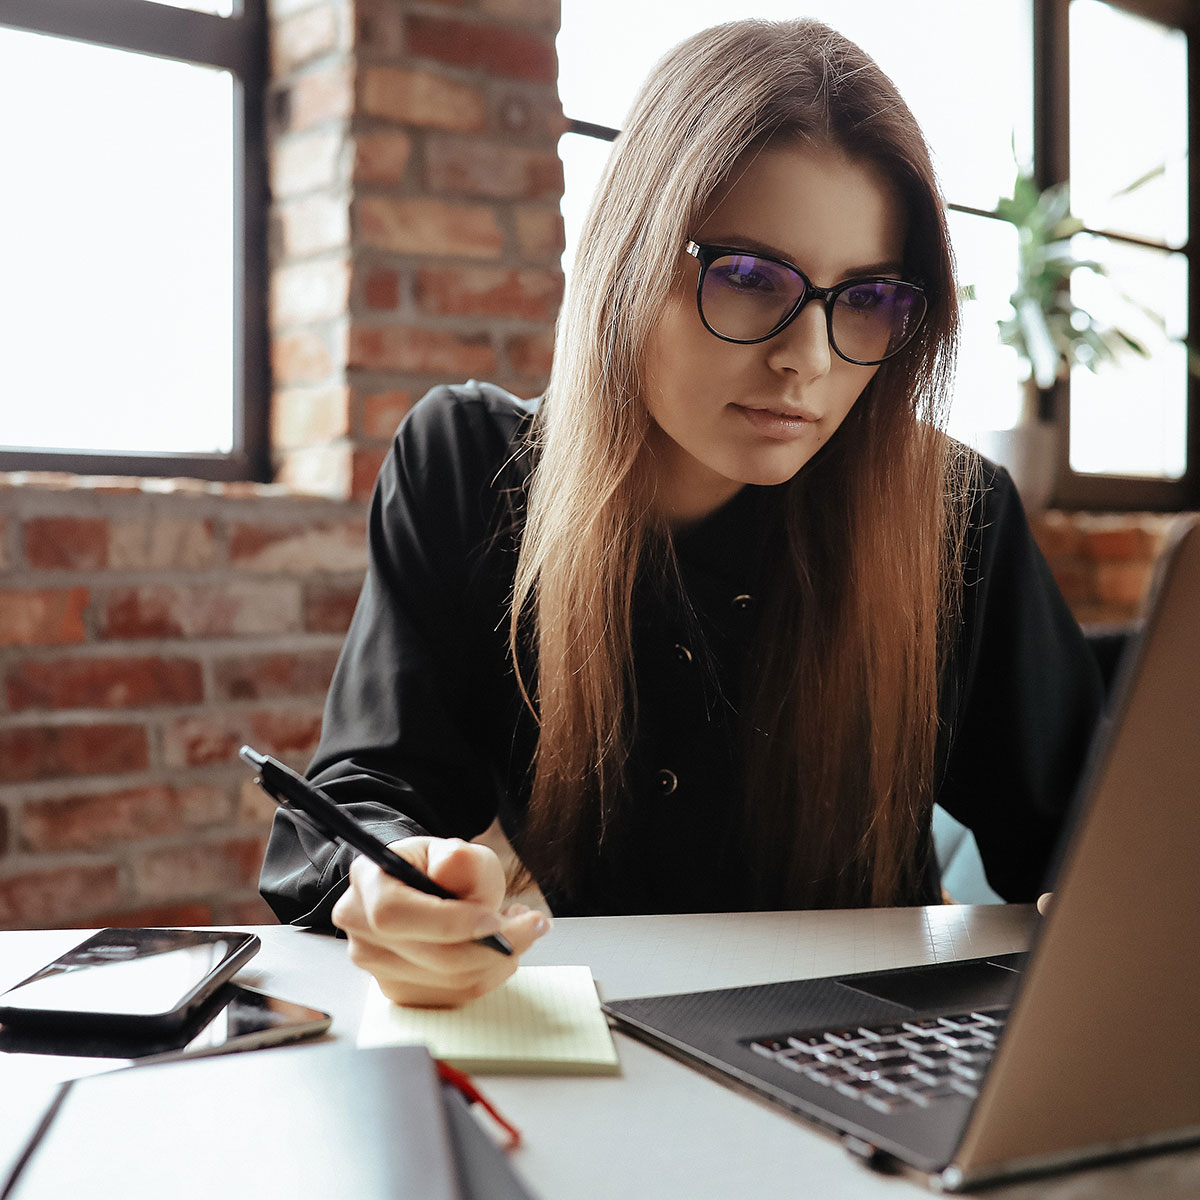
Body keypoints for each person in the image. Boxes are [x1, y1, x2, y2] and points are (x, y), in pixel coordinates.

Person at [260, 18, 1104, 1007]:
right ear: (632, 259)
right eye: (747, 278)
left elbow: (1092, 838)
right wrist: (395, 881)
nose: (809, 360)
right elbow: (361, 798)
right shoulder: (472, 468)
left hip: (878, 1051)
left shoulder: (954, 517)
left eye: (867, 297)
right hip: (610, 1043)